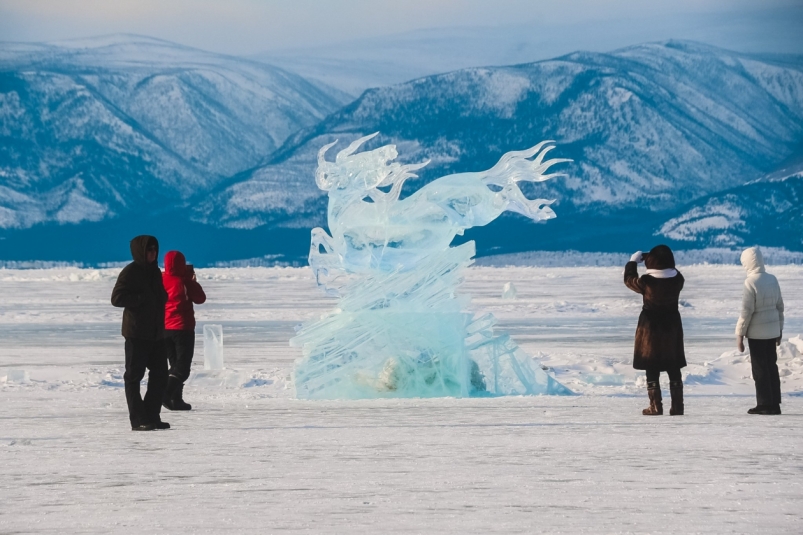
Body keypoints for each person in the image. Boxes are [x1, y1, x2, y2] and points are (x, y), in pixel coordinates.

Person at [111, 235, 169, 431]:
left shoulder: (155, 272)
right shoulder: (130, 272)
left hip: (157, 333)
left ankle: (152, 415)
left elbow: (159, 295)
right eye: (149, 250)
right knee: (134, 376)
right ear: (140, 251)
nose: (153, 253)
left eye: (155, 249)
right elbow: (117, 298)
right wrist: (140, 299)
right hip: (136, 333)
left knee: (160, 374)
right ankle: (138, 420)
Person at [624, 245, 687, 416]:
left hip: (650, 328)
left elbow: (630, 280)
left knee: (651, 366)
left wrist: (632, 262)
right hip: (672, 326)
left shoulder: (647, 281)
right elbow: (671, 271)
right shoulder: (678, 279)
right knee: (673, 366)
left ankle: (655, 406)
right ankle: (677, 406)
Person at [735, 246, 785, 415]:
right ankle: (774, 403)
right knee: (771, 366)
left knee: (760, 369)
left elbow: (746, 312)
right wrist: (780, 330)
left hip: (757, 335)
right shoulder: (772, 279)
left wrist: (739, 334)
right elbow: (780, 308)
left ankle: (764, 404)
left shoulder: (750, 282)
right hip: (772, 332)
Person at [161, 250, 206, 411]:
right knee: (182, 368)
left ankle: (176, 399)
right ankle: (164, 393)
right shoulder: (184, 282)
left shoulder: (160, 279)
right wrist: (191, 280)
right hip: (182, 328)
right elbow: (200, 298)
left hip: (164, 328)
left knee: (174, 364)